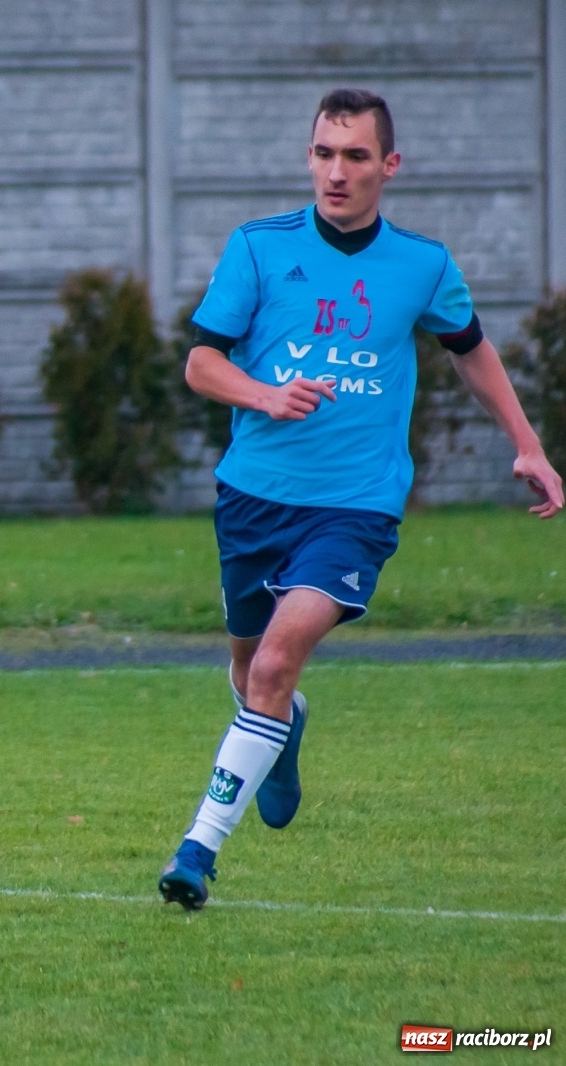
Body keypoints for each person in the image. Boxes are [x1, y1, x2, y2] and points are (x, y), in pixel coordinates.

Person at [159, 88, 564, 910]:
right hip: (253, 498)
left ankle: (196, 852)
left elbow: (470, 351)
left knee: (275, 659)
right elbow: (202, 365)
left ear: (389, 165)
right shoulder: (258, 248)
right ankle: (283, 728)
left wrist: (527, 443)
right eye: (322, 153)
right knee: (249, 669)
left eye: (353, 156)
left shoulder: (423, 265)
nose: (335, 172)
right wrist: (266, 395)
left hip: (357, 505)